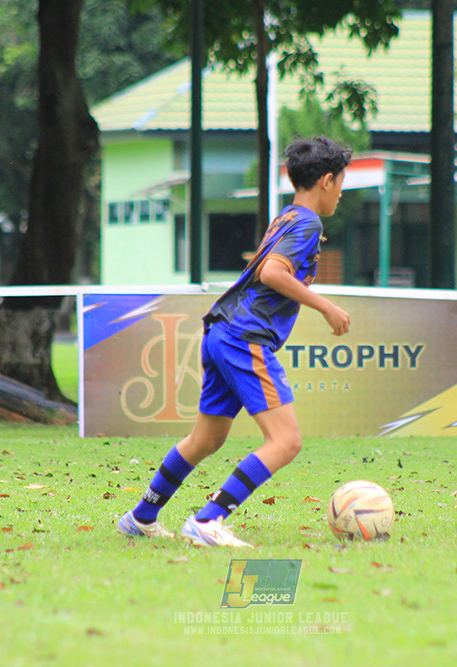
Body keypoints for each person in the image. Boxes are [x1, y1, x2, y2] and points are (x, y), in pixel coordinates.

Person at [116, 136, 352, 547]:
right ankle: (209, 519)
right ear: (327, 180)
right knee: (286, 440)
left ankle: (142, 516)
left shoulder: (287, 217)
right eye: (342, 182)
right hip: (244, 337)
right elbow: (272, 274)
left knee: (206, 440)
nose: (343, 192)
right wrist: (325, 307)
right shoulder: (309, 224)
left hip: (221, 332)